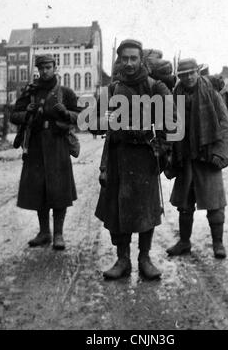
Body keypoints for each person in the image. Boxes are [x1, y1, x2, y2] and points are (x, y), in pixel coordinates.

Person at [95, 39, 174, 280]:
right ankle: (122, 260)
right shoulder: (111, 89)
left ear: (141, 60)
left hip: (144, 157)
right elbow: (93, 124)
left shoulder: (155, 87)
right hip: (117, 155)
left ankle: (144, 258)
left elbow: (171, 122)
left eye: (134, 58)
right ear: (119, 60)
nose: (129, 63)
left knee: (146, 211)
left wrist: (160, 150)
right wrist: (103, 119)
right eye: (125, 59)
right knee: (117, 211)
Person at [10, 54, 79, 250]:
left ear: (55, 67)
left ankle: (58, 234)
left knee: (59, 190)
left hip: (58, 144)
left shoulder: (65, 92)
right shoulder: (31, 91)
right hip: (36, 145)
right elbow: (14, 115)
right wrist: (28, 114)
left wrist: (66, 113)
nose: (45, 71)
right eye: (41, 68)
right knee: (38, 189)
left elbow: (81, 116)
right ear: (37, 70)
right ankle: (44, 232)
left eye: (48, 67)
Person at [166, 58, 228, 259]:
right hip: (186, 158)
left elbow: (225, 124)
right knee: (184, 205)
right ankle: (184, 242)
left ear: (197, 72)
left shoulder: (210, 93)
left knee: (215, 204)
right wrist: (170, 153)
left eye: (191, 73)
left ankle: (218, 244)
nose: (188, 78)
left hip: (208, 157)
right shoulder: (175, 95)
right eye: (183, 75)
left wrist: (219, 152)